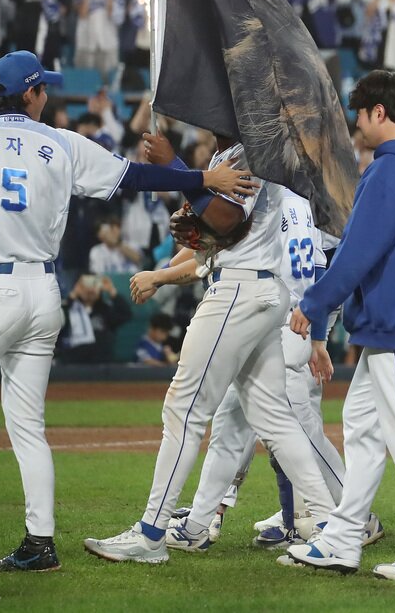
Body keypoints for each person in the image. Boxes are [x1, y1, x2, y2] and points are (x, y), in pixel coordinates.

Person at [0, 51, 255, 572]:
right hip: (42, 294)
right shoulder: (59, 143)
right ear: (32, 94)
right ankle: (39, 543)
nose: (48, 97)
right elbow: (131, 178)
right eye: (44, 90)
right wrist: (200, 180)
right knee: (28, 427)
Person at [83, 133, 338, 564]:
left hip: (240, 290)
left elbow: (223, 217)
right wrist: (201, 231)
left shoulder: (249, 151)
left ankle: (150, 533)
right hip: (261, 288)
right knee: (274, 417)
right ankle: (333, 528)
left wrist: (178, 168)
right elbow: (229, 230)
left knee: (184, 409)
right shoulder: (244, 152)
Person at [286, 70, 395, 579]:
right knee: (363, 429)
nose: (356, 124)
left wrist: (315, 303)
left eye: (360, 114)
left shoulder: (388, 172)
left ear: (379, 113)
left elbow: (357, 254)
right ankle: (342, 538)